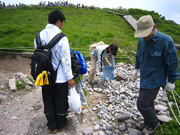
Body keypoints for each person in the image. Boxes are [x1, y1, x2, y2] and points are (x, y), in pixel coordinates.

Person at [132, 15, 180, 134]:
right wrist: (136, 68)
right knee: (147, 102)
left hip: (155, 79)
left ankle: (153, 123)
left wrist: (172, 80)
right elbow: (138, 55)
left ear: (154, 27)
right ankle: (148, 121)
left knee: (142, 104)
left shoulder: (165, 41)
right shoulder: (141, 40)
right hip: (144, 77)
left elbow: (172, 62)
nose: (145, 37)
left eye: (147, 34)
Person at [34, 9, 75, 134]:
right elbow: (65, 60)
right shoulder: (62, 38)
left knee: (48, 99)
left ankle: (52, 126)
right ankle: (61, 123)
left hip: (44, 76)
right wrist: (70, 78)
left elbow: (37, 56)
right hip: (60, 77)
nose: (62, 25)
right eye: (62, 22)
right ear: (58, 22)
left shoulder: (38, 36)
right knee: (61, 100)